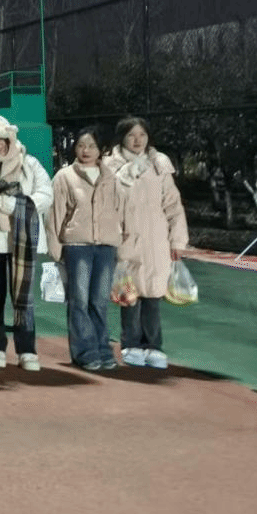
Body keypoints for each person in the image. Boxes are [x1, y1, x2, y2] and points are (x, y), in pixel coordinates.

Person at [0, 113, 54, 371]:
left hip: (23, 235)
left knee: (23, 294)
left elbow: (46, 193)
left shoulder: (29, 162)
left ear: (10, 138)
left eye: (1, 140)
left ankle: (27, 349)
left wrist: (16, 205)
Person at [103, 116, 189, 369]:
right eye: (131, 135)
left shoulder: (159, 163)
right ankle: (130, 344)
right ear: (122, 138)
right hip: (125, 238)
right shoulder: (110, 166)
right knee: (129, 295)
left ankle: (154, 346)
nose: (137, 140)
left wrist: (177, 240)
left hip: (156, 240)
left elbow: (173, 205)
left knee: (152, 294)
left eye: (142, 134)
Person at [49, 126, 123, 371]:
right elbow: (55, 213)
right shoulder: (64, 176)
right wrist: (55, 248)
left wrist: (121, 243)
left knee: (99, 301)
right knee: (79, 300)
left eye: (91, 146)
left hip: (106, 247)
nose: (86, 150)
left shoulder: (111, 177)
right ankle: (85, 352)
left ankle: (103, 349)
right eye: (81, 145)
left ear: (101, 150)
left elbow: (120, 211)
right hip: (76, 246)